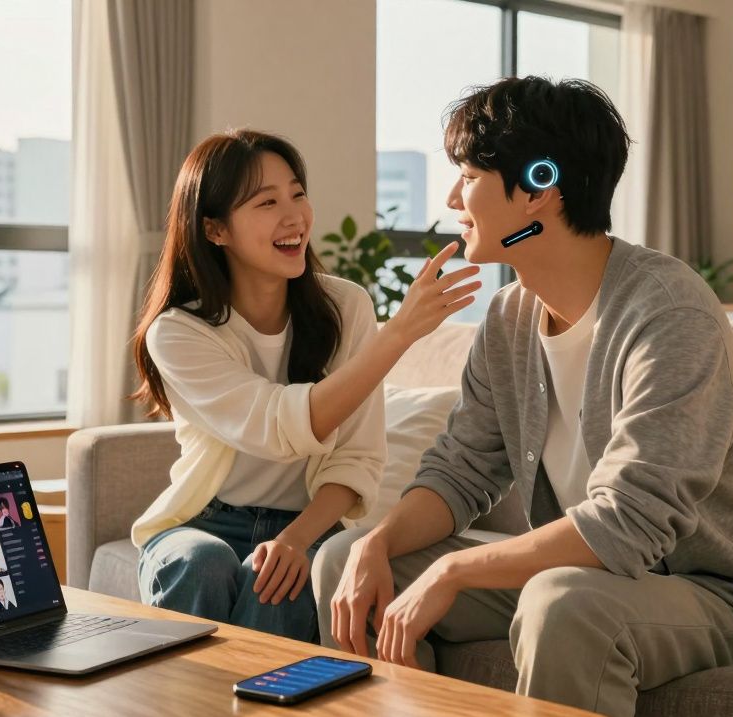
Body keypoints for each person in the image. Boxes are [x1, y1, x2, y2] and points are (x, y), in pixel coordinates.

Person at [311, 77, 733, 717]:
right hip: (590, 575)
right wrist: (379, 541)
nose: (452, 198)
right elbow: (462, 470)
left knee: (563, 602)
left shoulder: (669, 311)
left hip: (717, 597)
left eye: (468, 175)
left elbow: (628, 524)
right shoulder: (509, 318)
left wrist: (456, 568)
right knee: (344, 560)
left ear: (540, 186)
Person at [130, 129, 481, 642]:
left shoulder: (346, 308)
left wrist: (296, 539)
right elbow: (278, 426)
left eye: (297, 193)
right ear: (215, 229)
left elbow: (357, 457)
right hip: (203, 522)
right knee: (200, 562)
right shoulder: (180, 331)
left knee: (280, 584)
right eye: (266, 202)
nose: (294, 216)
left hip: (310, 525)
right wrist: (399, 334)